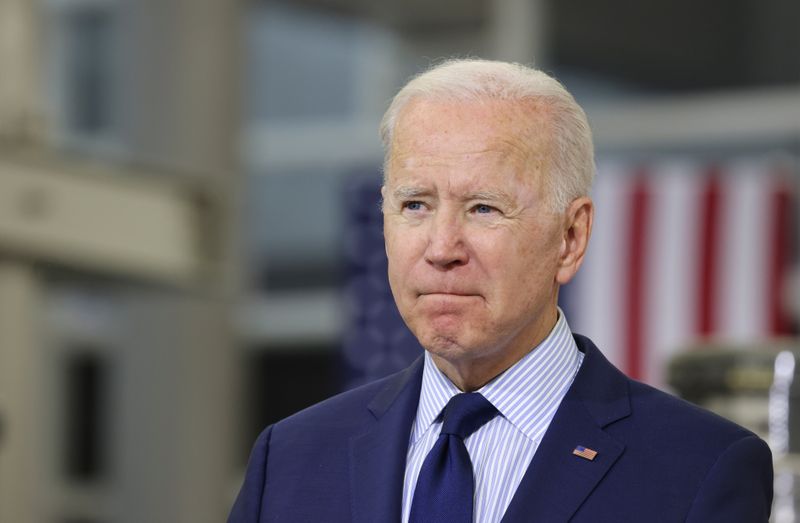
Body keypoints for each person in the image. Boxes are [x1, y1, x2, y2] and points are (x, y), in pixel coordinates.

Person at [229, 59, 773, 522]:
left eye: (483, 208)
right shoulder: (292, 458)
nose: (442, 247)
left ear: (570, 236)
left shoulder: (699, 468)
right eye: (415, 204)